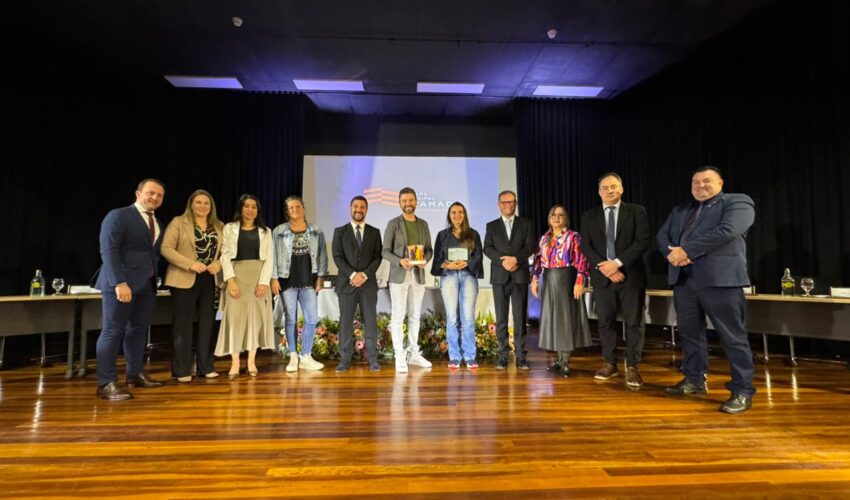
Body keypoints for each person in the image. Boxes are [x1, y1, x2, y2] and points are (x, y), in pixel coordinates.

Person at [656, 166, 756, 414]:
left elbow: (726, 231)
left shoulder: (738, 202)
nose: (700, 186)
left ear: (721, 182)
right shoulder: (681, 210)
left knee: (732, 336)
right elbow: (662, 236)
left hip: (720, 281)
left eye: (706, 181)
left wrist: (686, 251)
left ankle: (742, 390)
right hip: (684, 281)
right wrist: (674, 254)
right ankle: (694, 379)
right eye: (695, 182)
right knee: (690, 333)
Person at [94, 178, 166, 400]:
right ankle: (106, 383)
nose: (154, 198)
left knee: (138, 330)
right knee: (112, 331)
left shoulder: (157, 223)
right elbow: (109, 250)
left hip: (146, 284)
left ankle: (134, 374)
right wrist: (119, 282)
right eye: (150, 193)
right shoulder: (119, 215)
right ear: (138, 193)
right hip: (121, 284)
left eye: (159, 195)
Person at [579, 173, 650, 387]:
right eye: (605, 187)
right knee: (605, 322)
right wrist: (607, 269)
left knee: (633, 323)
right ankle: (609, 363)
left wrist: (617, 263)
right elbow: (586, 246)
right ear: (599, 192)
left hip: (631, 277)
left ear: (621, 189)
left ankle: (632, 367)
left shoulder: (636, 211)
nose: (610, 190)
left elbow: (642, 241)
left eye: (614, 186)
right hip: (603, 279)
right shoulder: (589, 216)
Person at [161, 189, 224, 383]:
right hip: (184, 277)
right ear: (191, 204)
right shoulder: (179, 222)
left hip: (210, 280)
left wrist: (219, 263)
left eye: (206, 203)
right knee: (183, 325)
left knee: (207, 324)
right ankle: (182, 370)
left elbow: (227, 252)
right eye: (198, 202)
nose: (203, 206)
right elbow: (166, 249)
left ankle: (205, 367)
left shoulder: (219, 225)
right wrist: (190, 264)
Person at [215, 194, 275, 379]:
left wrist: (264, 282)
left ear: (258, 211)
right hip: (237, 278)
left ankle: (251, 362)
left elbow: (270, 258)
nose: (250, 210)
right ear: (241, 208)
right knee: (234, 320)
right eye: (247, 206)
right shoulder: (229, 228)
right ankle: (234, 363)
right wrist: (231, 280)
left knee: (255, 321)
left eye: (254, 207)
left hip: (258, 279)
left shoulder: (266, 231)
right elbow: (224, 255)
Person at [531, 205, 591, 377]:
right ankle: (558, 359)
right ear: (549, 218)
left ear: (566, 218)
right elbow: (537, 261)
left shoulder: (573, 237)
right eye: (553, 215)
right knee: (553, 320)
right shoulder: (544, 238)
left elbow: (582, 260)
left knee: (565, 320)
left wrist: (580, 280)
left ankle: (565, 361)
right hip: (549, 280)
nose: (557, 218)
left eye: (561, 215)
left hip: (567, 279)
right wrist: (535, 279)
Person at [271, 195, 328, 373]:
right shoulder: (279, 231)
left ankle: (306, 356)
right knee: (291, 319)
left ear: (303, 208)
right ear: (287, 211)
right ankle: (293, 356)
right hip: (286, 280)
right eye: (291, 208)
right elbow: (272, 256)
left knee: (311, 318)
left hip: (308, 282)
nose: (294, 210)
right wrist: (273, 278)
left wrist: (321, 277)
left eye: (297, 206)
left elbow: (322, 256)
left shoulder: (316, 230)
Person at [382, 187, 433, 373]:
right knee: (398, 315)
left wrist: (425, 260)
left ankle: (413, 353)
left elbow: (429, 249)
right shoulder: (393, 223)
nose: (407, 204)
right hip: (399, 276)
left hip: (418, 275)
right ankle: (399, 355)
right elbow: (385, 251)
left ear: (416, 201)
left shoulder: (424, 224)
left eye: (411, 200)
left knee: (414, 315)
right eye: (404, 201)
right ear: (399, 202)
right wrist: (399, 261)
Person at [483, 190, 536, 370]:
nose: (508, 205)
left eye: (511, 202)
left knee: (520, 318)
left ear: (516, 203)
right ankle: (503, 356)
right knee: (501, 318)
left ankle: (521, 356)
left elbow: (531, 246)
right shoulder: (492, 226)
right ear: (499, 204)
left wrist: (516, 259)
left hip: (519, 275)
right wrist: (503, 261)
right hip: (500, 276)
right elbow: (487, 248)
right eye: (504, 202)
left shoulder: (526, 223)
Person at [332, 196, 383, 372]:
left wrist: (365, 275)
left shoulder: (374, 232)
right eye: (355, 206)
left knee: (371, 322)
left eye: (362, 207)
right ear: (350, 208)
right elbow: (338, 257)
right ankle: (344, 360)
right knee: (345, 323)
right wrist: (353, 275)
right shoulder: (340, 231)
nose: (358, 209)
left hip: (368, 285)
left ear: (366, 210)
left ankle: (372, 359)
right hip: (347, 285)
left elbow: (378, 257)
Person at [431, 202, 484, 370]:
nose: (457, 215)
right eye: (453, 212)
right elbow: (438, 260)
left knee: (467, 318)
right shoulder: (442, 235)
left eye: (460, 212)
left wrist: (466, 262)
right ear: (449, 215)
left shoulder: (473, 234)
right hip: (448, 277)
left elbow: (478, 257)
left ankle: (469, 356)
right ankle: (454, 356)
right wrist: (448, 265)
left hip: (468, 276)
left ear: (464, 215)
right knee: (452, 318)